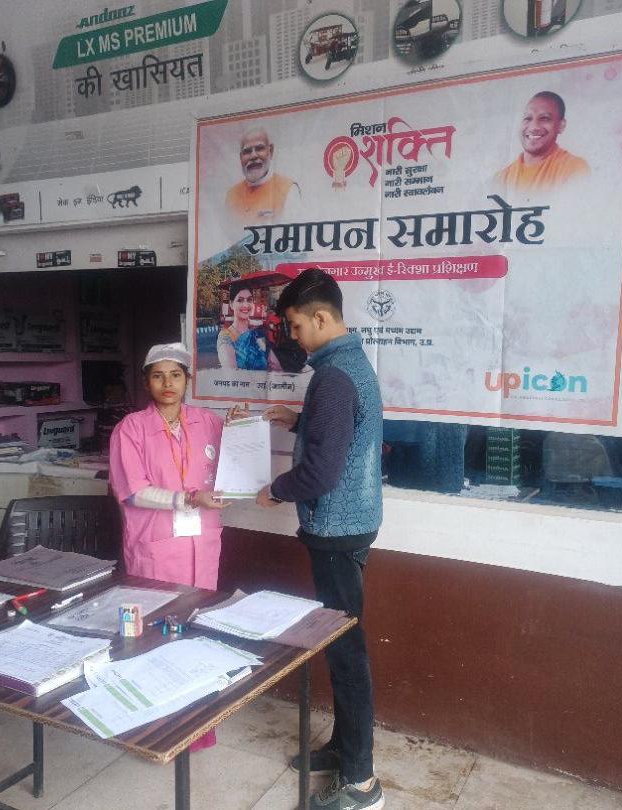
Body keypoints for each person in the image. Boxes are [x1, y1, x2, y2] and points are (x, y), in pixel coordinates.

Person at [238, 268, 385, 810]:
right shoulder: (349, 366)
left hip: (337, 530)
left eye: (297, 326)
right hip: (350, 523)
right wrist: (296, 422)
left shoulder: (333, 377)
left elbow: (321, 472)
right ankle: (344, 748)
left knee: (346, 654)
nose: (294, 338)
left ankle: (362, 784)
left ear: (322, 318)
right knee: (341, 645)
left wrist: (275, 490)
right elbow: (343, 434)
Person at [108, 343, 228, 750]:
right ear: (146, 382)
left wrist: (243, 429)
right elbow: (134, 490)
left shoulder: (209, 422)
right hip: (155, 546)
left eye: (175, 375)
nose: (167, 384)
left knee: (197, 629)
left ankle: (197, 728)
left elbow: (233, 467)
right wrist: (188, 498)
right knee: (155, 632)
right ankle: (155, 729)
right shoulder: (131, 429)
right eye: (158, 376)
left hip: (202, 544)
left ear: (187, 379)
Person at [493, 91, 590, 192]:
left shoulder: (574, 169)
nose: (533, 127)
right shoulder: (501, 179)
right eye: (528, 118)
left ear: (561, 126)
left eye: (544, 118)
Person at [224, 126, 302, 227]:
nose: (253, 156)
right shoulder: (231, 195)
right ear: (241, 157)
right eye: (247, 151)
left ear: (271, 151)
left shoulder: (288, 189)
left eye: (259, 148)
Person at [217, 279, 281, 371]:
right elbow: (231, 374)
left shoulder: (258, 335)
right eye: (240, 300)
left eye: (249, 300)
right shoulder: (226, 337)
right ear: (231, 304)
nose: (246, 305)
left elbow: (275, 365)